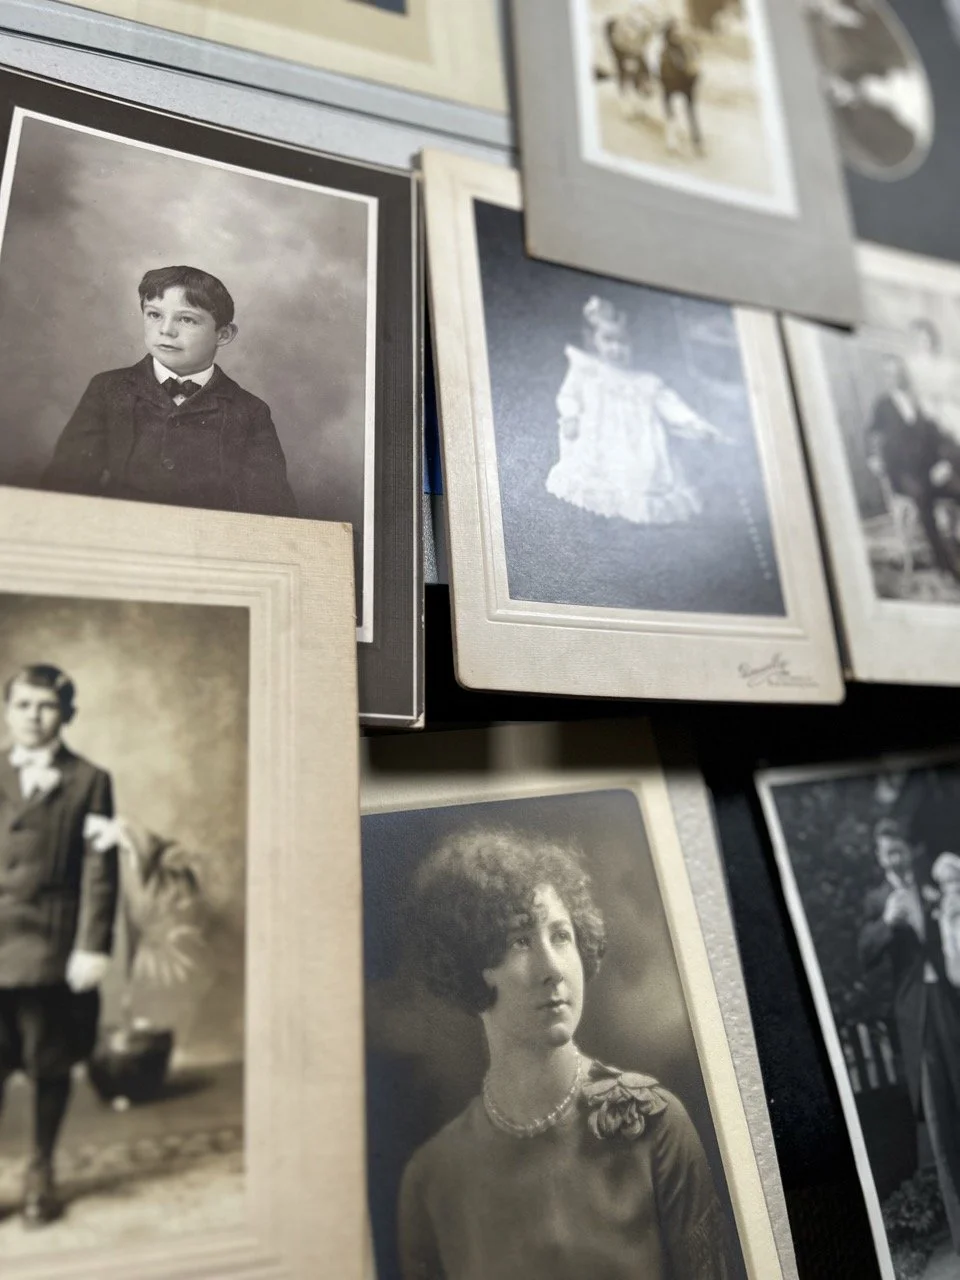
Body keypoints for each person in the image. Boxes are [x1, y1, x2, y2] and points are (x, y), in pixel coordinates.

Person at [398, 828, 734, 1280]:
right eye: (520, 941)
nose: (553, 968)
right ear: (469, 963)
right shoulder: (431, 1179)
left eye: (561, 936)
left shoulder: (655, 1126)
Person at [0, 664, 119, 1225]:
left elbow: (101, 871)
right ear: (7, 709)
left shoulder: (90, 780)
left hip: (49, 949)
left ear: (66, 715)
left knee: (48, 1063)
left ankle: (41, 1169)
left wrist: (91, 946)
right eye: (23, 705)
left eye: (46, 706)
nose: (33, 716)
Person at [42, 265, 298, 517]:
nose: (166, 330)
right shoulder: (109, 389)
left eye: (187, 319)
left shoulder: (250, 411)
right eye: (154, 315)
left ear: (223, 334)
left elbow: (271, 510)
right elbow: (65, 486)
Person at [859, 817, 960, 1253]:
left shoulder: (935, 884)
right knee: (940, 1126)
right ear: (879, 858)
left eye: (898, 850)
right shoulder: (876, 899)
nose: (894, 858)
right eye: (887, 853)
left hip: (952, 1003)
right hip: (918, 1017)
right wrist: (884, 922)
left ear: (907, 850)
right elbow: (864, 954)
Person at [546, 296, 727, 526]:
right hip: (599, 444)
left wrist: (697, 426)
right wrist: (570, 416)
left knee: (640, 485)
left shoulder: (646, 382)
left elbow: (673, 408)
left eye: (623, 343)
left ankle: (631, 528)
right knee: (600, 489)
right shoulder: (588, 370)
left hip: (639, 450)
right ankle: (598, 526)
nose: (616, 348)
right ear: (594, 341)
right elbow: (569, 394)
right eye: (608, 341)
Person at [865, 352, 960, 581]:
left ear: (904, 375)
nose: (895, 377)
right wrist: (872, 458)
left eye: (899, 373)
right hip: (903, 474)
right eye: (890, 374)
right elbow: (871, 435)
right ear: (885, 377)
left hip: (929, 470)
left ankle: (956, 540)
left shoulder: (917, 401)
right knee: (923, 496)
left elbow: (937, 435)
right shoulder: (882, 405)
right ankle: (945, 563)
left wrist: (944, 462)